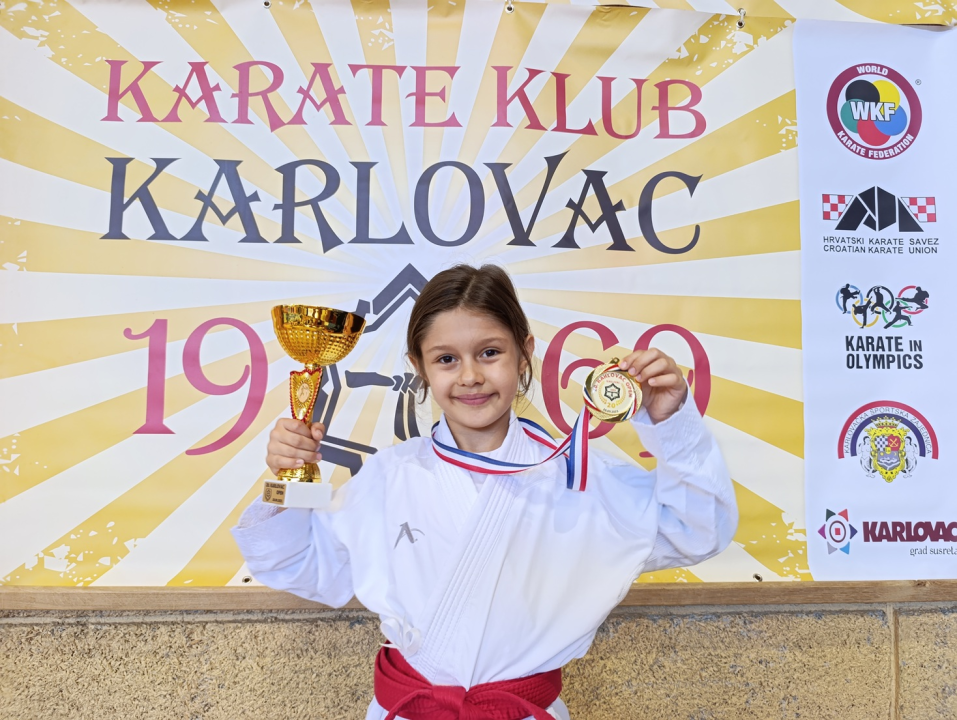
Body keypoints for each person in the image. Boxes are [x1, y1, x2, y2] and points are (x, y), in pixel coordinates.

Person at [232, 264, 738, 720]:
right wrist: (287, 479)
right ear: (419, 367)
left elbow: (697, 531)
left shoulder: (578, 475)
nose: (471, 376)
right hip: (409, 710)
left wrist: (672, 422)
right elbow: (296, 563)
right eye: (446, 359)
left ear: (524, 352)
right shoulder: (389, 476)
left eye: (490, 353)